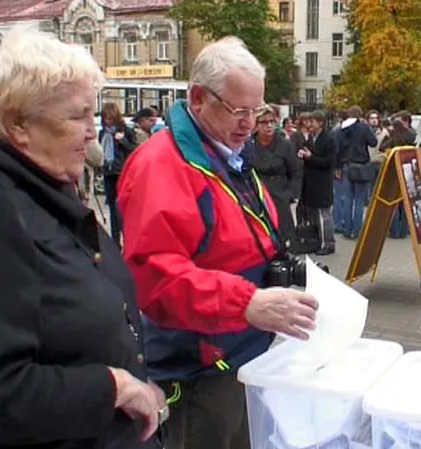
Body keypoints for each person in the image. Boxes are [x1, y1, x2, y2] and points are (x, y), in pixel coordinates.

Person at [0, 29, 164, 449]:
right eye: (77, 116)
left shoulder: (45, 187)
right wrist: (114, 386)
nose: (93, 132)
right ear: (20, 124)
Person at [116, 36, 319, 449]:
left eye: (257, 111)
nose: (249, 123)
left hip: (237, 352)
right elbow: (157, 279)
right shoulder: (163, 165)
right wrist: (247, 302)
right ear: (197, 98)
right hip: (198, 366)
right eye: (237, 110)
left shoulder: (221, 151)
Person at [248, 106, 303, 249]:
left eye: (272, 121)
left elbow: (296, 171)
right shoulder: (247, 145)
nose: (269, 126)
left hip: (280, 198)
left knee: (285, 242)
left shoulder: (285, 145)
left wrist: (290, 194)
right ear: (256, 124)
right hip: (256, 199)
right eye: (264, 122)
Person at [298, 109, 337, 255]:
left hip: (322, 181)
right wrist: (303, 155)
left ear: (320, 122)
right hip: (311, 181)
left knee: (324, 214)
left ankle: (329, 243)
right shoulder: (312, 137)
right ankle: (316, 241)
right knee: (313, 213)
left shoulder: (329, 139)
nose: (310, 124)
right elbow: (309, 154)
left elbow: (329, 162)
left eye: (312, 121)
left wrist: (310, 157)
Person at [99, 102, 138, 247]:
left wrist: (123, 141)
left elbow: (135, 150)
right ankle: (115, 244)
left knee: (122, 209)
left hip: (122, 172)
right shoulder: (103, 133)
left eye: (110, 118)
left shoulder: (126, 131)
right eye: (105, 119)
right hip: (109, 172)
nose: (108, 121)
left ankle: (128, 240)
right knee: (112, 208)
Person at [337, 106, 377, 239]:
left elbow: (338, 148)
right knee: (359, 200)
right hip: (360, 166)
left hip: (346, 165)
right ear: (360, 115)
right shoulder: (363, 128)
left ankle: (347, 230)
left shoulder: (342, 129)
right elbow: (373, 142)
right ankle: (357, 230)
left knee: (348, 199)